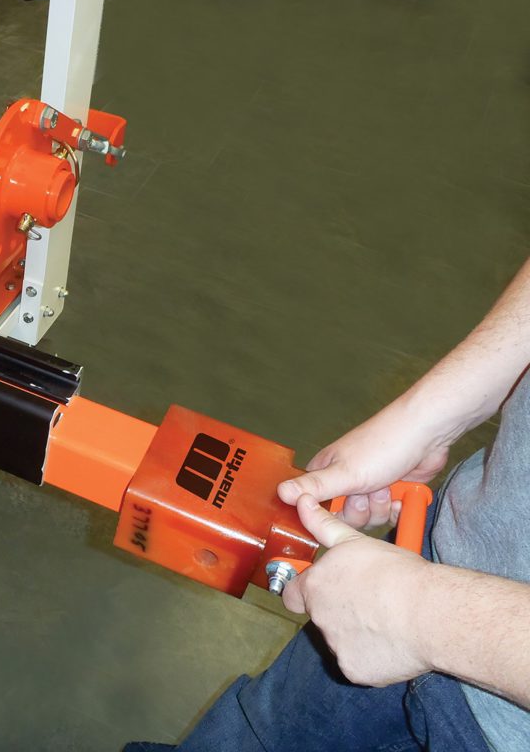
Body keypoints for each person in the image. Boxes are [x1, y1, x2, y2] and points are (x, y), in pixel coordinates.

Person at [126, 259, 530, 752]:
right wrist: (428, 419)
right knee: (259, 735)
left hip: (485, 719)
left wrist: (421, 613)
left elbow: (420, 611)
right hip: (438, 555)